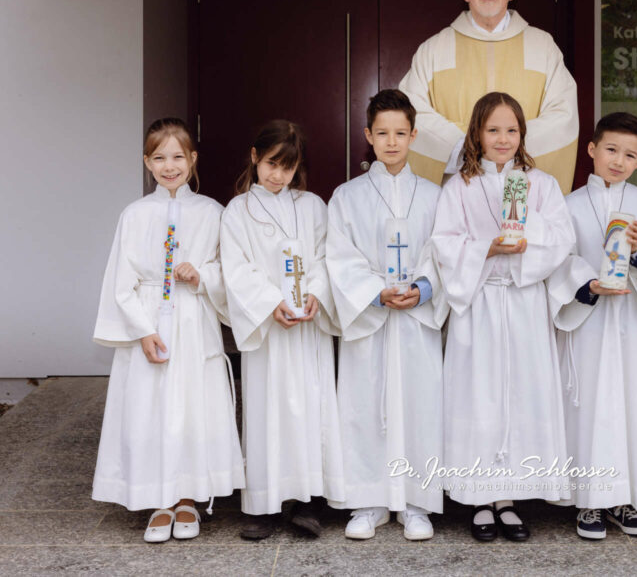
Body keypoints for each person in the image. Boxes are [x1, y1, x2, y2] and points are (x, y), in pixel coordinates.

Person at [431, 91, 575, 542]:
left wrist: (524, 236)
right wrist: (484, 247)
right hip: (481, 302)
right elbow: (444, 241)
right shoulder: (460, 186)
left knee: (521, 393)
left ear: (522, 134)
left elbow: (561, 236)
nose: (502, 138)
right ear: (476, 132)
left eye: (511, 130)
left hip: (524, 300)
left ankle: (509, 498)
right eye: (493, 129)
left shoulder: (541, 183)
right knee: (481, 394)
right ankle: (478, 497)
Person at [92, 118, 243, 543]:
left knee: (194, 407)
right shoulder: (135, 214)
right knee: (150, 407)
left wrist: (204, 275)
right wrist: (141, 330)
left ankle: (188, 497)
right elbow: (120, 280)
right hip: (149, 323)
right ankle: (159, 496)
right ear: (147, 162)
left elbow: (229, 270)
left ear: (193, 159)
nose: (169, 166)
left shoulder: (213, 212)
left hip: (195, 323)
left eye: (178, 156)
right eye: (159, 158)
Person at [548, 112, 637, 539]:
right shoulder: (565, 206)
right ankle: (589, 501)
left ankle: (627, 499)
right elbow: (557, 261)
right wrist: (585, 285)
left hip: (635, 323)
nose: (619, 161)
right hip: (589, 324)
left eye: (630, 155)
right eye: (611, 150)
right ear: (591, 149)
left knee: (633, 406)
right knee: (589, 405)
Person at [326, 90, 447, 541]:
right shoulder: (347, 196)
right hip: (371, 317)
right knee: (365, 405)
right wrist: (375, 291)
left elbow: (445, 251)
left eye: (400, 133)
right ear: (367, 136)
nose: (392, 142)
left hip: (416, 318)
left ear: (413, 135)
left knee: (418, 405)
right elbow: (339, 256)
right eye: (382, 133)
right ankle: (369, 500)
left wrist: (423, 289)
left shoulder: (436, 196)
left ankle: (417, 502)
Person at [220, 120, 344, 540]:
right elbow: (235, 268)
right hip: (270, 331)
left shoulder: (312, 206)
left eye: (288, 168)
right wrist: (269, 302)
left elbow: (329, 256)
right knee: (268, 410)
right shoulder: (239, 211)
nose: (278, 175)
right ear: (255, 157)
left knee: (312, 408)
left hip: (308, 329)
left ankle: (310, 500)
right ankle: (266, 504)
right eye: (272, 164)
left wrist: (316, 294)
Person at [399, 0, 579, 192]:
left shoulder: (542, 46)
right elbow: (411, 110)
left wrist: (508, 144)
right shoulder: (434, 49)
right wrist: (465, 145)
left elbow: (563, 113)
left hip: (521, 187)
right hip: (459, 186)